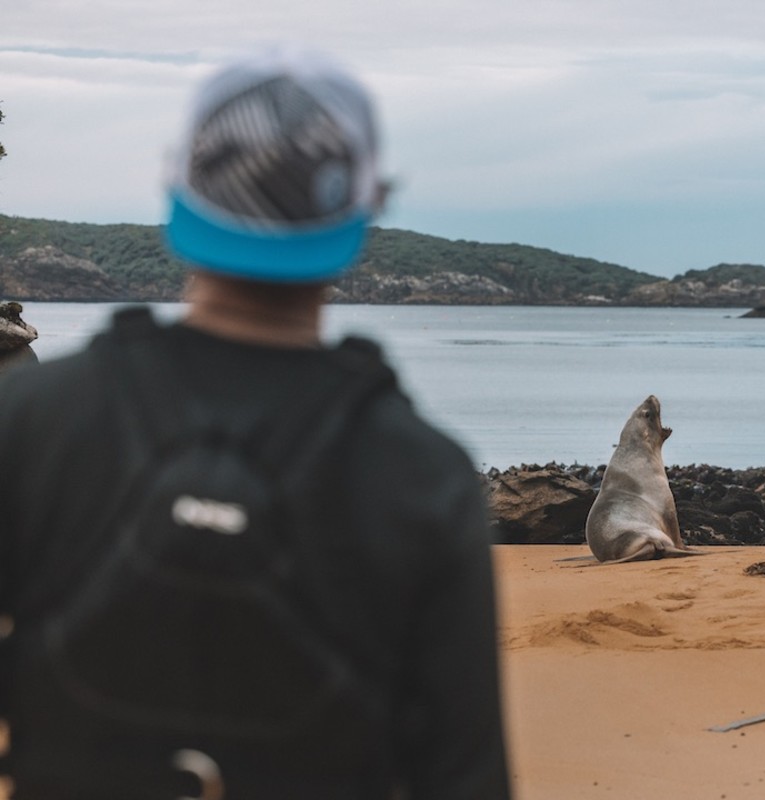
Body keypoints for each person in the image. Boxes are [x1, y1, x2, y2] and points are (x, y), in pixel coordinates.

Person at [0, 45, 510, 799]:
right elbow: (467, 775)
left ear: (178, 186)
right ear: (369, 207)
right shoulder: (423, 475)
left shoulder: (33, 419)